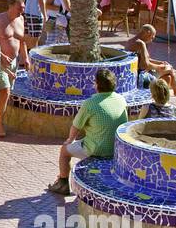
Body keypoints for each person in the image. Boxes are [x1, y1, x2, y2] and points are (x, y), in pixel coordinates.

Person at [50, 68, 128, 196]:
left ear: (97, 84)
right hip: (116, 149)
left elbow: (76, 126)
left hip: (95, 149)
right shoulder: (121, 100)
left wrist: (70, 140)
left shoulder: (90, 103)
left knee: (64, 151)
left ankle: (63, 183)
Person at [126, 25, 176, 96]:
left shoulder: (132, 41)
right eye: (152, 37)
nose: (152, 40)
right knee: (169, 71)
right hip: (141, 76)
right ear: (147, 33)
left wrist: (160, 62)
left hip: (138, 73)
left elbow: (144, 59)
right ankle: (173, 92)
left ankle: (175, 90)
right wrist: (160, 67)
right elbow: (146, 65)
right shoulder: (140, 44)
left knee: (168, 76)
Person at [0, 0, 29, 73]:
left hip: (14, 62)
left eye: (23, 8)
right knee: (5, 85)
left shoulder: (21, 19)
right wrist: (2, 56)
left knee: (11, 85)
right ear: (10, 6)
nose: (22, 11)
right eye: (19, 8)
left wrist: (25, 58)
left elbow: (22, 41)